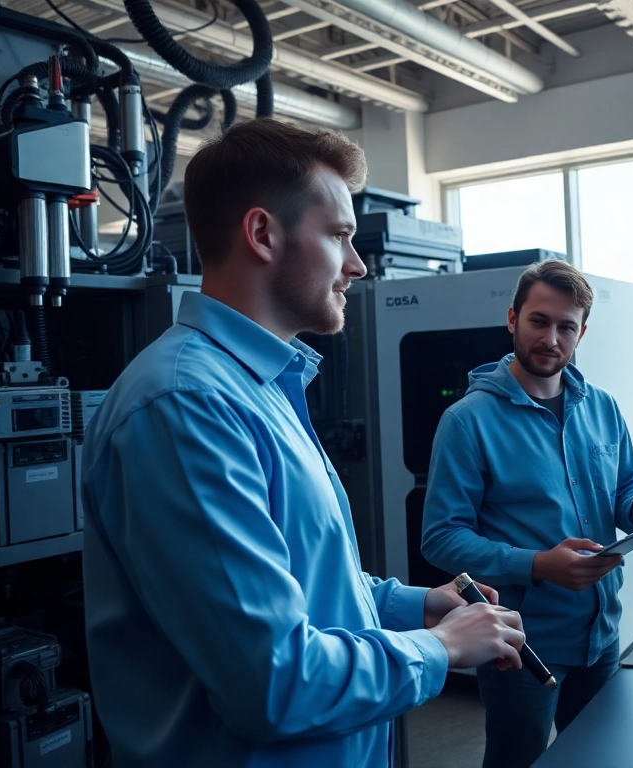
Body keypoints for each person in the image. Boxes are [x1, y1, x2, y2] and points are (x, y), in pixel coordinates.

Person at [80, 119, 525, 768]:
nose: (357, 263)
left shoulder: (265, 388)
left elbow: (309, 583)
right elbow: (272, 681)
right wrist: (444, 648)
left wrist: (416, 604)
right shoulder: (186, 407)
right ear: (263, 234)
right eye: (339, 235)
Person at [421, 260, 633, 767]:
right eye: (539, 321)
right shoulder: (467, 421)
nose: (551, 338)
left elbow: (626, 484)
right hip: (521, 642)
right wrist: (539, 564)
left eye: (566, 326)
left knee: (601, 757)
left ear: (581, 333)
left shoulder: (600, 406)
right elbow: (441, 538)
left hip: (602, 634)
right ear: (513, 318)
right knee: (519, 759)